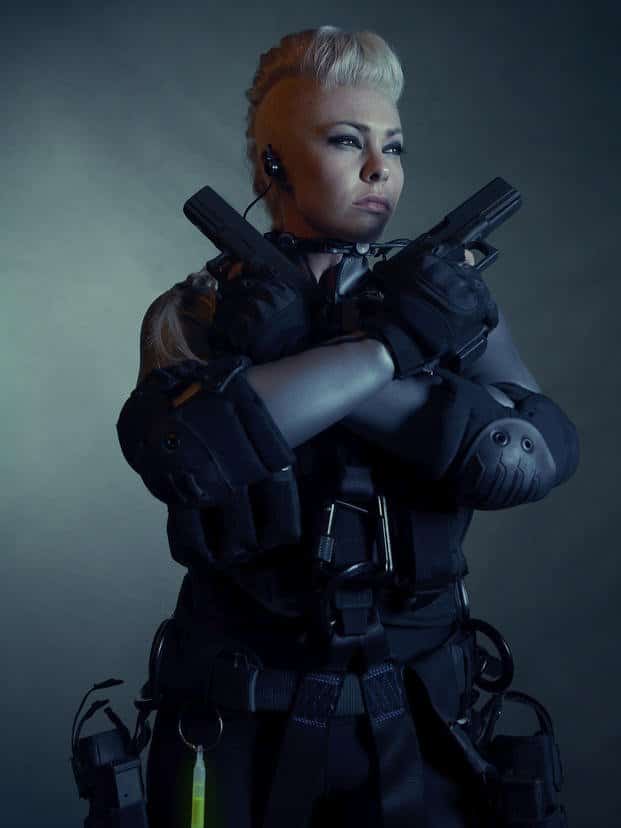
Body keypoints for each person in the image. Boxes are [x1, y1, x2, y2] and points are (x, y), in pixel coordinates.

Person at [117, 26, 579, 828]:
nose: (379, 168)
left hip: (420, 716)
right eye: (344, 140)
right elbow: (185, 453)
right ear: (271, 163)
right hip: (235, 721)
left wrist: (316, 357)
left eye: (391, 146)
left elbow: (523, 458)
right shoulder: (197, 311)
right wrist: (389, 352)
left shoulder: (446, 304)